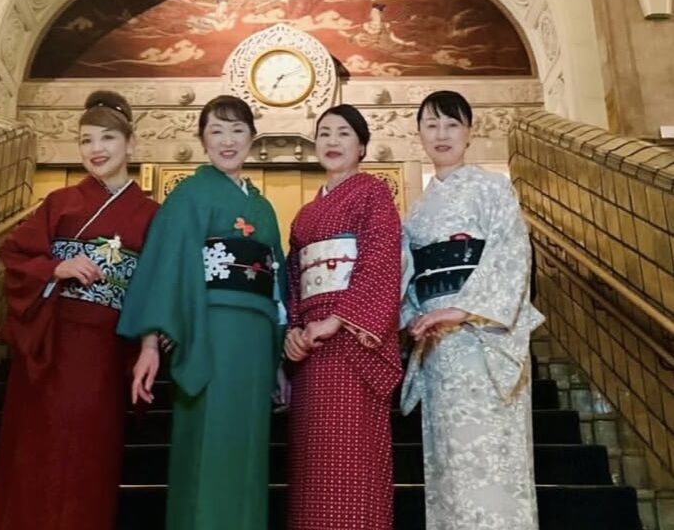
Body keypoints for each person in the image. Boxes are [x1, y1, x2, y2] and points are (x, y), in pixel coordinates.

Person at [0, 90, 159, 530]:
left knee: (90, 458)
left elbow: (157, 284)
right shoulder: (59, 203)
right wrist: (55, 267)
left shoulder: (152, 214)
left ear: (131, 144)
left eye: (107, 138)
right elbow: (14, 252)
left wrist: (148, 345)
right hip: (52, 343)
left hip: (104, 349)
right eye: (86, 140)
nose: (96, 149)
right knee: (35, 457)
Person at [117, 95, 287, 530]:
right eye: (217, 131)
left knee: (248, 451)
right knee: (207, 449)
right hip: (209, 329)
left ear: (252, 137)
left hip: (256, 340)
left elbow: (277, 282)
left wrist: (279, 360)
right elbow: (165, 264)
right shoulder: (189, 195)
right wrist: (150, 343)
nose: (228, 141)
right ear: (202, 140)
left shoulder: (263, 207)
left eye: (237, 130)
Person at [399, 90, 544, 530]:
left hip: (483, 338)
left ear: (469, 132)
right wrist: (412, 317)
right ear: (419, 134)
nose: (441, 134)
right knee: (450, 462)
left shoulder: (492, 188)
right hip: (439, 348)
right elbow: (408, 276)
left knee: (493, 456)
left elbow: (511, 252)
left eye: (451, 124)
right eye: (431, 125)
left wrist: (461, 310)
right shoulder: (417, 211)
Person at [284, 104, 402, 530]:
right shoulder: (304, 215)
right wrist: (294, 330)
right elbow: (294, 278)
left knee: (353, 458)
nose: (332, 141)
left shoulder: (373, 193)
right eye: (324, 133)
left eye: (343, 133)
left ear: (363, 147)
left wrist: (336, 320)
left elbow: (380, 262)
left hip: (353, 343)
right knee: (312, 467)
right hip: (311, 351)